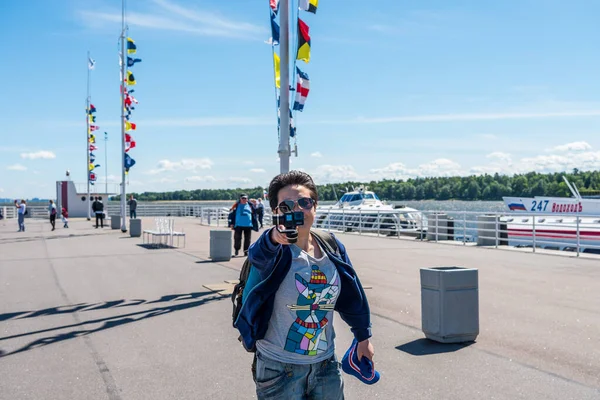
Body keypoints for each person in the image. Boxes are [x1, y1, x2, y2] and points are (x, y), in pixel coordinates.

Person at [242, 171, 374, 399]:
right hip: (279, 368)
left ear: (315, 205)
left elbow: (354, 295)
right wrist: (274, 236)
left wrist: (363, 337)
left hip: (326, 366)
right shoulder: (273, 250)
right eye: (286, 206)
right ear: (276, 212)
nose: (297, 210)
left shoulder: (331, 245)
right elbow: (257, 255)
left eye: (304, 202)